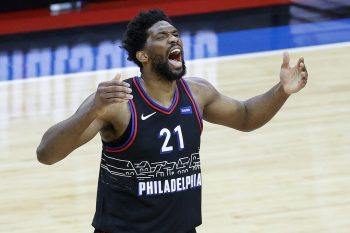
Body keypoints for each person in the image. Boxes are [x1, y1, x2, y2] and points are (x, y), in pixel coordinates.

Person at [36, 9, 308, 233]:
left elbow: (247, 116)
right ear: (142, 55)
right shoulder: (117, 102)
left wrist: (281, 90)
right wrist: (91, 110)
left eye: (176, 34)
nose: (174, 40)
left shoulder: (198, 93)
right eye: (162, 36)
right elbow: (46, 154)